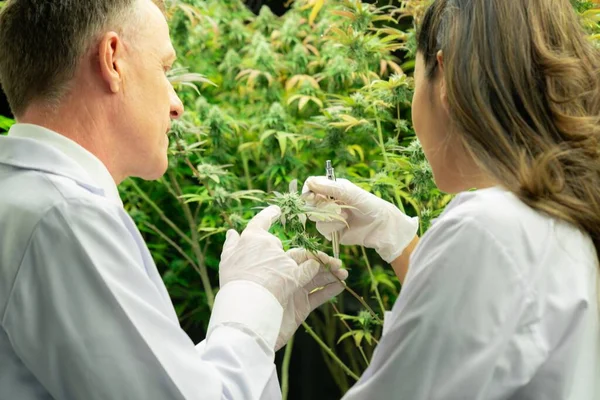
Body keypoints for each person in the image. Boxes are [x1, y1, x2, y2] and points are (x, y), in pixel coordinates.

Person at [0, 0, 347, 399]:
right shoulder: (63, 218)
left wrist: (261, 329)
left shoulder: (24, 198)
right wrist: (249, 304)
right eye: (165, 69)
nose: (176, 104)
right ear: (112, 60)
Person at [304, 0, 600, 398]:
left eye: (415, 80)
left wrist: (244, 329)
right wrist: (395, 238)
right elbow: (492, 330)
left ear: (443, 79)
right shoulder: (563, 211)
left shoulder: (489, 228)